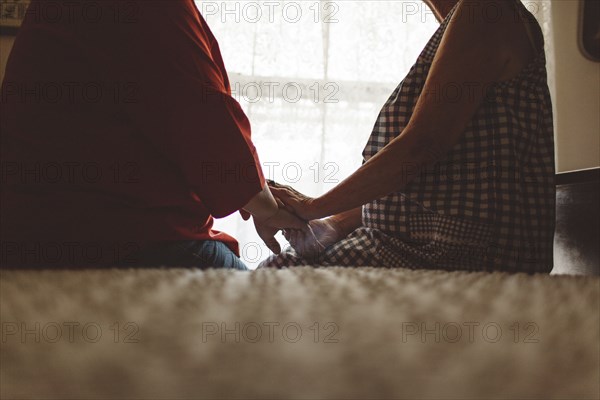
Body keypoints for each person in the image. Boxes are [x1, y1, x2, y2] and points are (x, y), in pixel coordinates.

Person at [0, 0, 305, 270]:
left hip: (47, 228)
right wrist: (268, 207)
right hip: (115, 238)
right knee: (272, 317)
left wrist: (256, 194)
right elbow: (205, 120)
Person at [262, 0, 556, 273]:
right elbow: (420, 190)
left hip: (469, 255)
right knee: (284, 265)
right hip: (429, 247)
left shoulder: (484, 10)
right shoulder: (464, 21)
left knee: (277, 273)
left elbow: (420, 148)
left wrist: (312, 206)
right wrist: (334, 224)